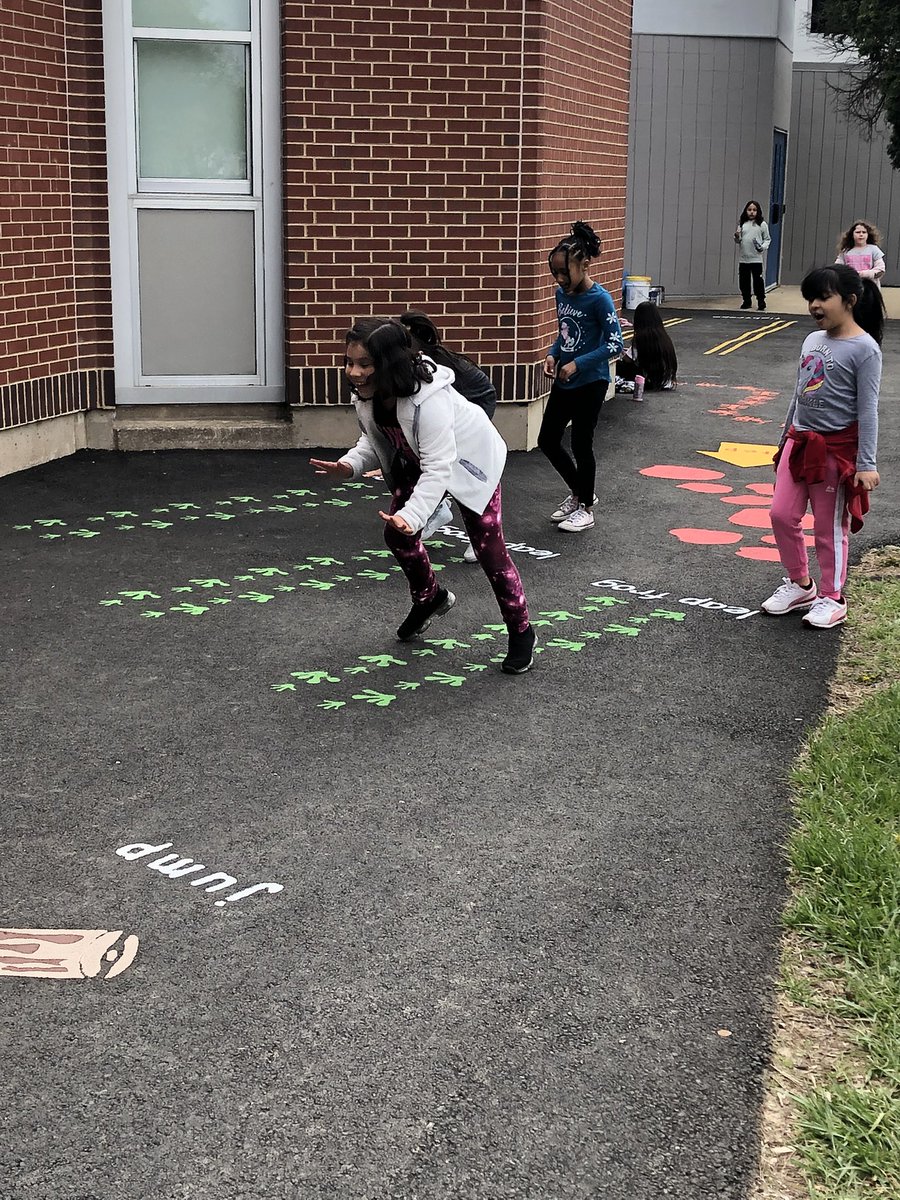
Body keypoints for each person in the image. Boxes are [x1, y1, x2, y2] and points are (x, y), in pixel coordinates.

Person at [309, 317, 536, 673]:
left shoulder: (427, 400)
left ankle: (522, 631)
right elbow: (374, 439)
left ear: (387, 363)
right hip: (421, 460)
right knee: (396, 536)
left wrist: (413, 516)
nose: (354, 372)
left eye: (364, 364)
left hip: (470, 464)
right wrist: (348, 466)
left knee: (490, 552)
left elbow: (440, 468)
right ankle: (430, 598)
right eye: (350, 362)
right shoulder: (370, 395)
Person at [761, 264, 885, 630]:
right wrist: (784, 441)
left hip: (835, 453)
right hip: (799, 445)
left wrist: (867, 463)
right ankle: (802, 585)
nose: (814, 305)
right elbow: (798, 396)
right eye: (810, 298)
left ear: (849, 300)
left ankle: (833, 597)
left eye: (822, 298)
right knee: (781, 515)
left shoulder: (865, 349)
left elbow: (868, 410)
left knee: (829, 529)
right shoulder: (812, 340)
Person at [539, 220, 624, 532]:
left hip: (592, 381)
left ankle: (586, 508)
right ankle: (580, 491)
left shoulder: (599, 299)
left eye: (565, 273)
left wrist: (579, 363)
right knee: (547, 439)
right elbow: (565, 334)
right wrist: (553, 353)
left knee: (581, 443)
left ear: (585, 264)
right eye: (555, 274)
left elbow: (616, 343)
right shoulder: (563, 295)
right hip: (566, 379)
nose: (560, 280)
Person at [398, 311, 497, 563]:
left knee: (463, 472)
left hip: (475, 408)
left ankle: (480, 536)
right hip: (454, 410)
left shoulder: (431, 365)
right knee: (434, 462)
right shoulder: (412, 363)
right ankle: (438, 508)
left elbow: (473, 398)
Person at [615, 301, 678, 397]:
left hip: (649, 380)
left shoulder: (641, 338)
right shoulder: (664, 337)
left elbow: (627, 359)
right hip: (665, 380)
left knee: (618, 365)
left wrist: (621, 352)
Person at [734, 200, 771, 310]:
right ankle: (746, 300)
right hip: (744, 259)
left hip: (756, 259)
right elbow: (738, 240)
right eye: (749, 210)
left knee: (758, 281)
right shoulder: (742, 224)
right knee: (744, 282)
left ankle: (761, 300)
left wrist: (762, 247)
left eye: (754, 210)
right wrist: (737, 236)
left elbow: (767, 239)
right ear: (746, 211)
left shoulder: (762, 224)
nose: (751, 212)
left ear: (758, 212)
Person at [835, 219, 886, 286]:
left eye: (864, 232)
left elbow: (880, 269)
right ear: (852, 234)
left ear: (868, 235)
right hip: (851, 285)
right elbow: (837, 268)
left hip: (870, 287)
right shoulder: (845, 251)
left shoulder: (874, 249)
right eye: (858, 232)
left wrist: (863, 274)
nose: (861, 234)